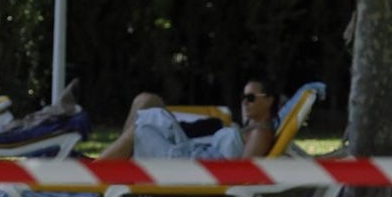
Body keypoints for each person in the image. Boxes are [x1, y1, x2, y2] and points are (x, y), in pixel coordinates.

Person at [98, 78, 278, 160]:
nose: (245, 102)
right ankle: (103, 166)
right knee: (149, 105)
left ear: (269, 100)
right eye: (244, 97)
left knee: (139, 131)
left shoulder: (260, 133)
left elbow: (244, 175)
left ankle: (93, 173)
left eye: (251, 97)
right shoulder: (251, 129)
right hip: (190, 152)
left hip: (188, 165)